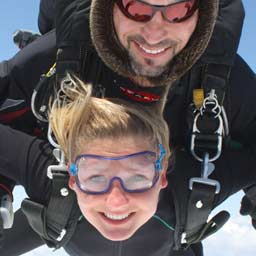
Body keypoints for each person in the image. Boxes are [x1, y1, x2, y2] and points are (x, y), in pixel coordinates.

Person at [0, 0, 256, 254]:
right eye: (136, 8)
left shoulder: (226, 84)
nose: (154, 33)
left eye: (179, 10)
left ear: (202, 14)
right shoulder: (57, 58)